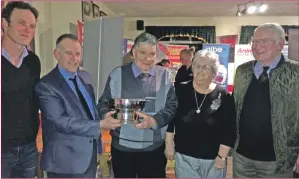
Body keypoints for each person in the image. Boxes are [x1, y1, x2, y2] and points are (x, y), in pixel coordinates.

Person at [35, 34, 122, 178]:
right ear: (56, 54)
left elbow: (87, 110)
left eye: (78, 54)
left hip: (89, 157)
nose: (74, 59)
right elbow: (59, 121)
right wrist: (100, 124)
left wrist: (102, 115)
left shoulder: (84, 78)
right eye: (69, 53)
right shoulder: (46, 86)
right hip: (65, 163)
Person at [97, 32, 178, 178]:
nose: (148, 59)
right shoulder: (117, 74)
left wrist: (154, 121)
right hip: (122, 149)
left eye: (152, 54)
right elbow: (103, 102)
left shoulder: (165, 75)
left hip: (154, 149)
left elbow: (172, 106)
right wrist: (105, 115)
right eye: (143, 53)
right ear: (134, 52)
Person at [233, 23, 299, 178]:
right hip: (242, 157)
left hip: (278, 161)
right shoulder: (242, 71)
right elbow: (235, 109)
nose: (257, 46)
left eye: (264, 41)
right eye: (254, 41)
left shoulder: (296, 73)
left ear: (280, 44)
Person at [165, 50, 236, 178]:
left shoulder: (224, 96)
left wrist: (222, 156)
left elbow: (229, 129)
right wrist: (169, 145)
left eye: (205, 67)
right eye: (197, 65)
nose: (200, 70)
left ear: (214, 71)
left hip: (214, 160)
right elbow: (170, 120)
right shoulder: (180, 90)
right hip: (184, 157)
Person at [1, 2, 41, 178]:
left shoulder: (33, 61)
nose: (27, 29)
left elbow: (33, 100)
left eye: (32, 25)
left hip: (28, 147)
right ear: (4, 23)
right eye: (21, 23)